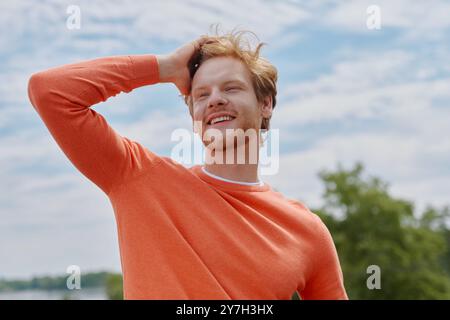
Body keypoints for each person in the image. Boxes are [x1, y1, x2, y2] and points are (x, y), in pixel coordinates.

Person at [27, 27, 348, 300]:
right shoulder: (138, 177)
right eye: (201, 95)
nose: (215, 100)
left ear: (265, 104)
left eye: (231, 88)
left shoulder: (307, 230)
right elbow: (50, 92)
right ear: (193, 113)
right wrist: (164, 67)